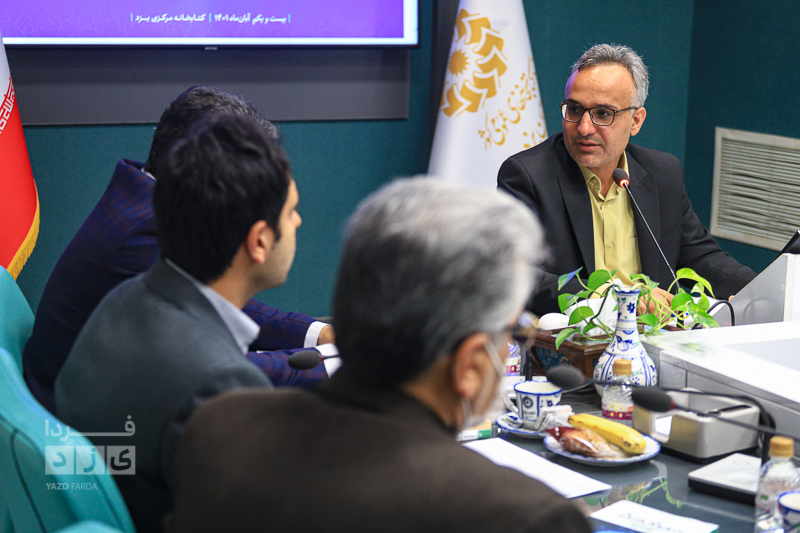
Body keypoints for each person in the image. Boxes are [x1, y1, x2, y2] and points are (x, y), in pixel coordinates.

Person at [164, 178, 592, 533]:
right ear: (471, 364)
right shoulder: (525, 517)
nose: (513, 343)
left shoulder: (218, 431)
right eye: (513, 331)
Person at [55, 114, 302, 531]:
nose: (297, 222)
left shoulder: (124, 299)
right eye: (291, 210)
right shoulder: (220, 385)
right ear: (259, 241)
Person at [23, 86, 332, 414]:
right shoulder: (146, 232)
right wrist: (333, 365)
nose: (297, 221)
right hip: (82, 427)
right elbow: (204, 369)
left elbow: (216, 311)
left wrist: (318, 336)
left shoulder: (141, 197)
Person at [498, 44, 756, 316]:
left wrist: (763, 289)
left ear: (636, 121)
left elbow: (702, 257)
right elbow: (516, 274)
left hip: (654, 333)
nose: (584, 128)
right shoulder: (528, 175)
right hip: (574, 335)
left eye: (603, 113)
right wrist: (614, 297)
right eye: (574, 110)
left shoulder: (662, 173)